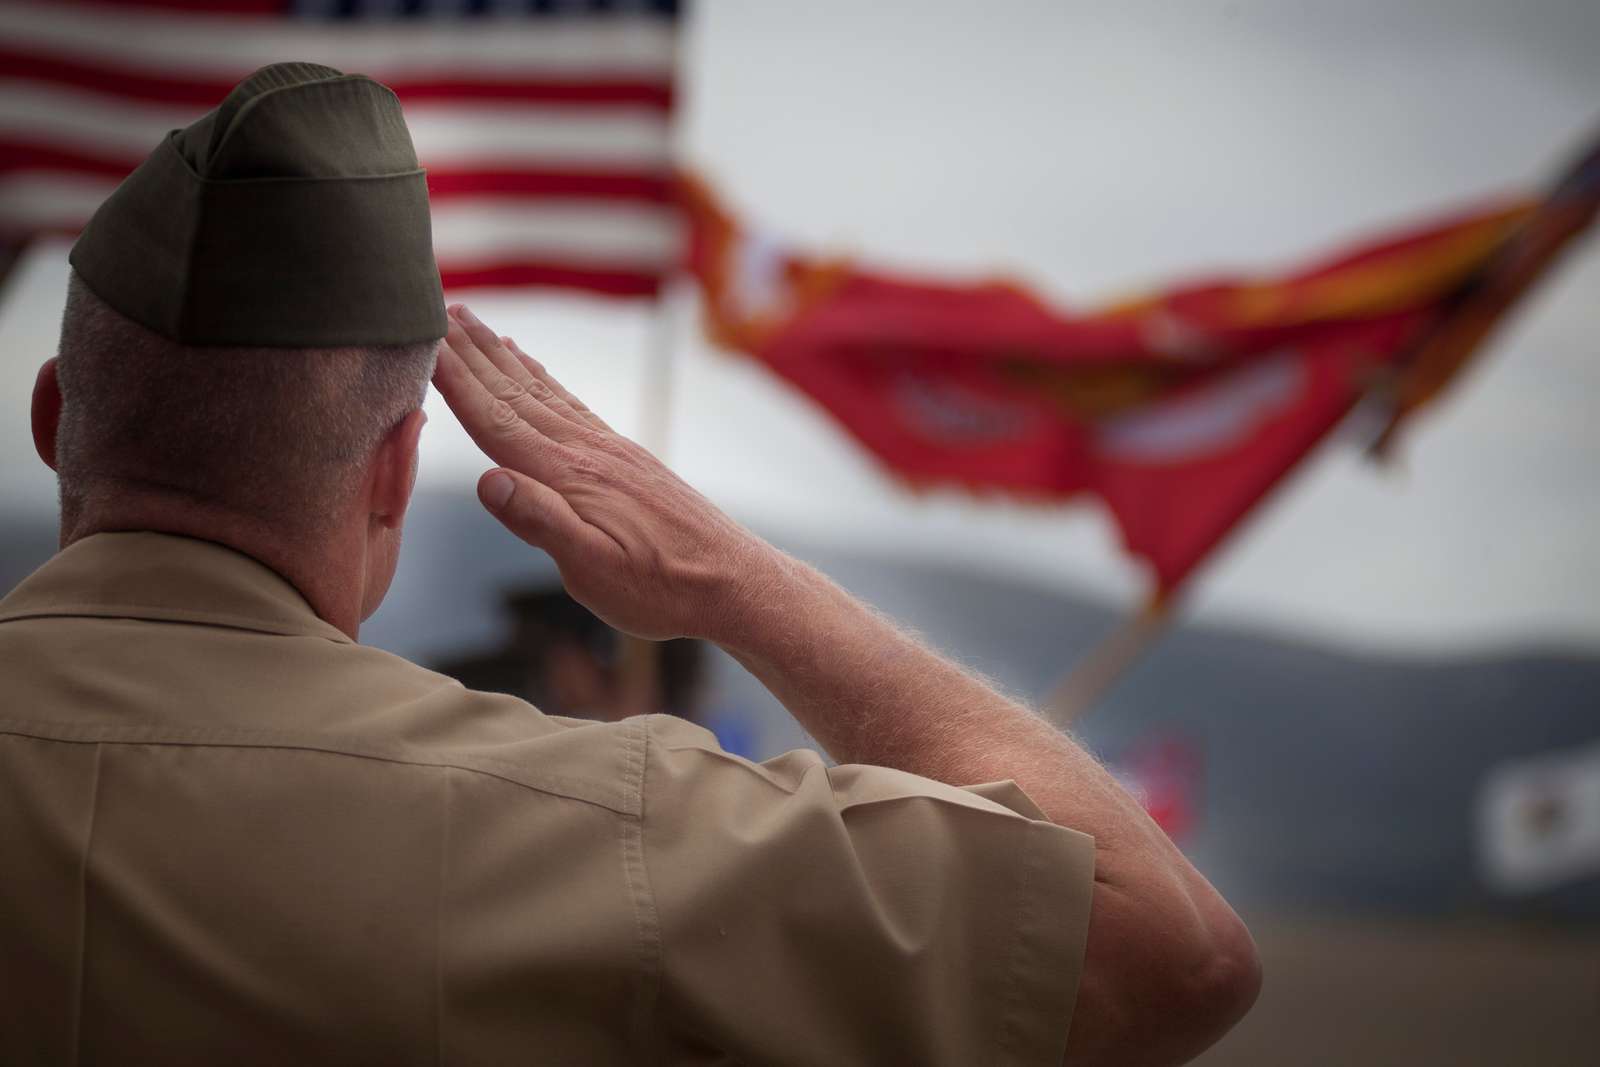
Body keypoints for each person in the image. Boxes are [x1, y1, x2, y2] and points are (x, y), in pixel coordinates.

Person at [0, 63, 1259, 1065]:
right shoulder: (604, 837)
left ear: (55, 418)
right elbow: (1169, 953)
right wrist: (725, 570)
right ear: (393, 472)